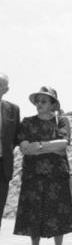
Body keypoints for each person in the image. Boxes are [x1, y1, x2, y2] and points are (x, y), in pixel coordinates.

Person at [14, 87, 72, 245]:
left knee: (58, 212)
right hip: (33, 176)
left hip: (57, 176)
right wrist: (51, 147)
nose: (39, 104)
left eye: (44, 101)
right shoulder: (27, 122)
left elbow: (63, 143)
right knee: (34, 213)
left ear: (53, 104)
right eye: (38, 101)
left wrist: (39, 145)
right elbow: (25, 148)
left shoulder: (61, 121)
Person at [0, 73, 20, 229]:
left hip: (3, 166)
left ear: (6, 89)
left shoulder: (13, 109)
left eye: (1, 85)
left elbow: (15, 137)